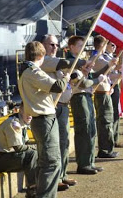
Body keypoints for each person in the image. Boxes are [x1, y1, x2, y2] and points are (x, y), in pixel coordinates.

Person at [18, 41, 69, 198]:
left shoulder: (26, 71)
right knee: (51, 163)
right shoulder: (33, 71)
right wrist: (66, 78)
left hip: (40, 120)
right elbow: (57, 87)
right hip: (45, 120)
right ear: (41, 55)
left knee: (44, 162)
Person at [41, 34, 81, 190]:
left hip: (63, 105)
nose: (54, 48)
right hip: (52, 107)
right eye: (51, 44)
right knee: (53, 145)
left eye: (56, 45)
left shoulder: (56, 63)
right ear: (43, 45)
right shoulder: (45, 61)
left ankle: (62, 174)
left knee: (64, 143)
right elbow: (64, 63)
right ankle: (55, 179)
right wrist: (82, 63)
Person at [67, 35, 110, 175]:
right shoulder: (70, 63)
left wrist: (108, 67)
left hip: (86, 95)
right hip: (78, 97)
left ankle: (90, 162)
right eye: (79, 46)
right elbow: (84, 83)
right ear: (71, 47)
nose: (82, 49)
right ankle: (83, 164)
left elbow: (91, 76)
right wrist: (98, 79)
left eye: (83, 46)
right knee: (84, 130)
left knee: (91, 130)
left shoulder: (80, 63)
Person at [0, 103, 37, 198]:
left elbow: (26, 143)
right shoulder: (13, 123)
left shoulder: (22, 123)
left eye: (32, 112)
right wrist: (36, 147)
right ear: (20, 110)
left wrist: (40, 145)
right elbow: (19, 147)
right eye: (27, 112)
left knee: (37, 154)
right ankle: (33, 189)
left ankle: (38, 186)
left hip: (5, 158)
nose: (30, 115)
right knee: (32, 155)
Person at [92, 36, 120, 159]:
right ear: (102, 45)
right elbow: (109, 68)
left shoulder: (101, 57)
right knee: (105, 122)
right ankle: (104, 149)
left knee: (107, 121)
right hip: (101, 93)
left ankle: (107, 148)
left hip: (106, 91)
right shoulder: (98, 58)